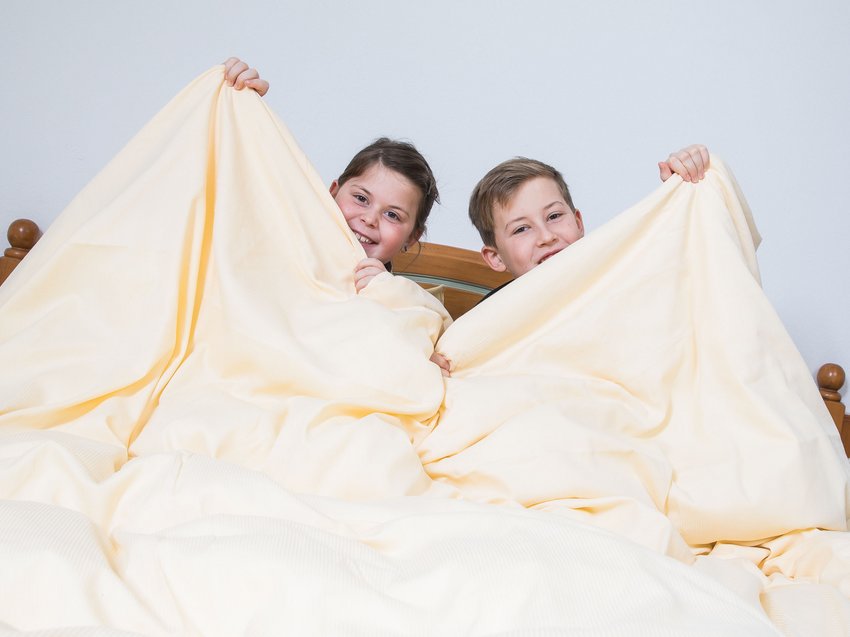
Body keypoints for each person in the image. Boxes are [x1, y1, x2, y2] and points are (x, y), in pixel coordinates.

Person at [223, 57, 438, 293]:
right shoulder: (288, 246)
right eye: (361, 198)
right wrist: (241, 104)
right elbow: (241, 192)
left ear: (412, 237)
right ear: (333, 192)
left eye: (392, 215)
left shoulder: (406, 302)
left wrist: (389, 295)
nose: (369, 219)